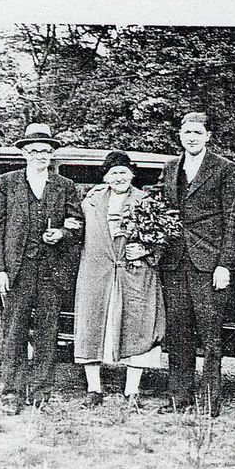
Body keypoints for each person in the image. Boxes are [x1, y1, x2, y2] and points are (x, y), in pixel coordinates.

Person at [0, 123, 82, 415]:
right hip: (18, 270)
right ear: (25, 153)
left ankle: (41, 393)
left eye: (45, 151)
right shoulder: (7, 183)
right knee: (14, 332)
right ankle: (11, 393)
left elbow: (77, 221)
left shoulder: (64, 186)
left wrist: (63, 234)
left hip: (52, 271)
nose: (40, 156)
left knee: (47, 333)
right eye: (34, 151)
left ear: (52, 155)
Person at [158, 112, 235, 417]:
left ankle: (208, 403)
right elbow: (159, 211)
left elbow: (233, 221)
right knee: (178, 334)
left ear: (208, 136)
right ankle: (177, 399)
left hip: (208, 265)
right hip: (174, 263)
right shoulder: (170, 168)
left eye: (197, 132)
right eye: (186, 132)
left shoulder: (223, 169)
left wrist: (225, 265)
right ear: (179, 135)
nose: (191, 137)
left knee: (210, 336)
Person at [73, 151, 165, 408]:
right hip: (97, 273)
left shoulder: (146, 201)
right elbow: (78, 231)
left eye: (124, 172)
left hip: (135, 274)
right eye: (114, 172)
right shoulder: (91, 201)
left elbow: (163, 239)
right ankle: (94, 389)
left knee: (136, 326)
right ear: (106, 176)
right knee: (92, 326)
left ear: (132, 174)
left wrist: (147, 250)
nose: (119, 177)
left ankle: (132, 390)